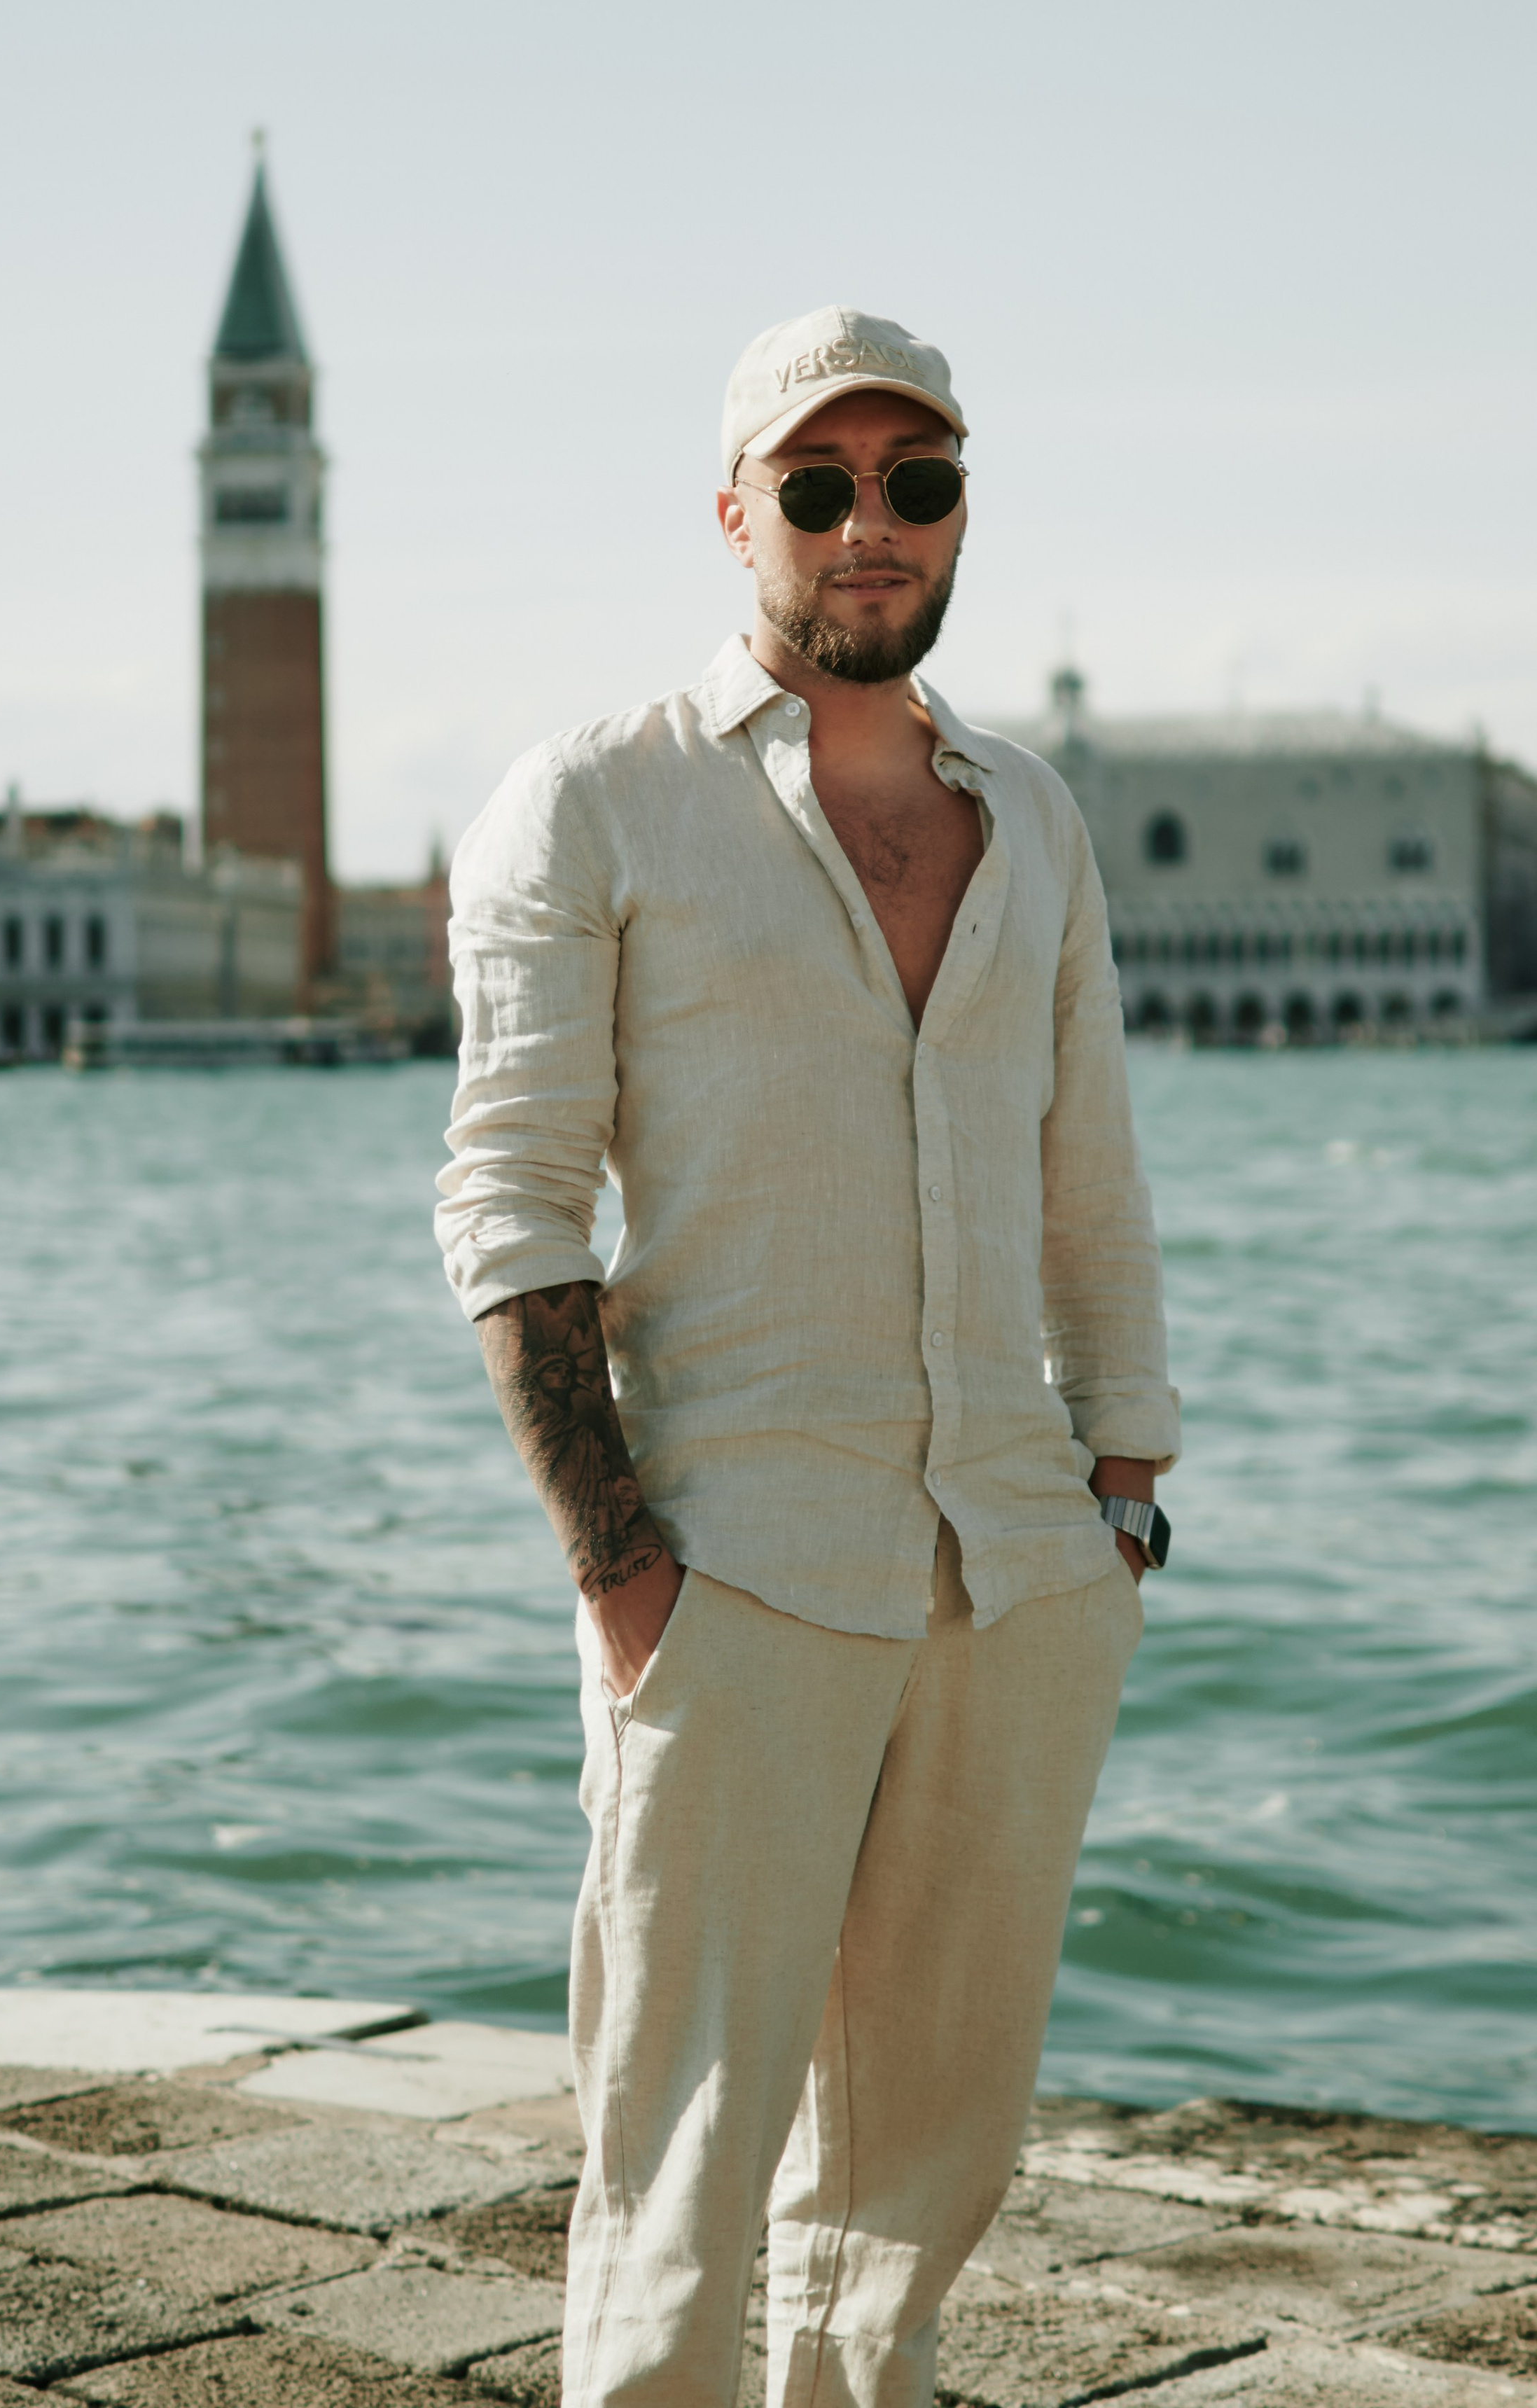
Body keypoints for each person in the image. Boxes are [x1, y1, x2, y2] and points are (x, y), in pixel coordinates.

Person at [436, 305, 1179, 2408]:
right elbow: (507, 1199)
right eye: (825, 486)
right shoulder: (592, 801)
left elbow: (1089, 1176)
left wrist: (1121, 1487)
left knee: (922, 2181)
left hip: (1018, 1567)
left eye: (919, 485)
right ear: (736, 510)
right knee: (678, 2169)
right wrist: (619, 1567)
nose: (874, 529)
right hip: (736, 1573)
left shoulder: (1030, 814)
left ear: (957, 511)